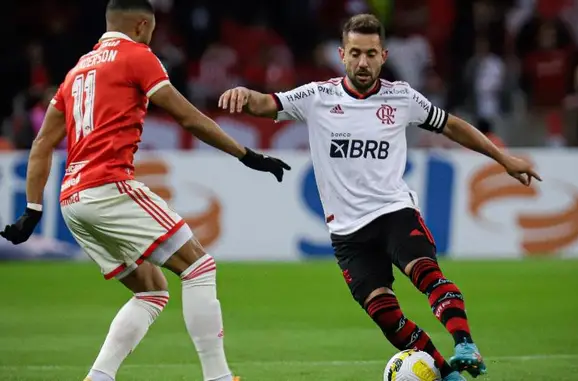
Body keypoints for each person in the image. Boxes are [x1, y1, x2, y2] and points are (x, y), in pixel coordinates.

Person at [219, 13, 541, 381]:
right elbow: (265, 104)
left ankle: (465, 344)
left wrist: (504, 159)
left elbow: (451, 125)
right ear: (341, 54)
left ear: (383, 55)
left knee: (424, 273)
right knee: (384, 313)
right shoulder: (317, 96)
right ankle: (446, 373)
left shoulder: (401, 97)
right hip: (347, 232)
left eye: (371, 54)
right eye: (355, 53)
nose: (362, 62)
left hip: (393, 212)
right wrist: (244, 95)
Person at [0, 1, 291, 381]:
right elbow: (187, 116)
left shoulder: (77, 72)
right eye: (151, 31)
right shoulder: (138, 56)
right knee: (199, 266)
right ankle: (218, 377)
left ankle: (98, 377)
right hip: (108, 186)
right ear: (141, 25)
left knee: (152, 291)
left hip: (73, 200)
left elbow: (41, 145)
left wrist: (33, 209)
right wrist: (246, 154)